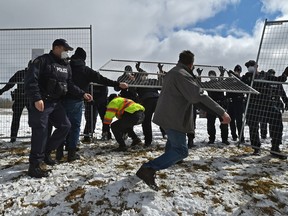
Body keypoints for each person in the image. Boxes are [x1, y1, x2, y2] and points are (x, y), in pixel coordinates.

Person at [136, 50, 231, 190]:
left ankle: (165, 161)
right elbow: (198, 96)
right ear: (191, 64)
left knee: (173, 146)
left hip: (168, 115)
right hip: (173, 117)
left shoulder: (174, 72)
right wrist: (221, 112)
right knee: (181, 151)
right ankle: (148, 169)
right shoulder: (182, 75)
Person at [24, 39, 93, 178]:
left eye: (67, 50)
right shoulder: (42, 61)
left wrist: (82, 93)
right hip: (42, 102)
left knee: (65, 126)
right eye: (65, 49)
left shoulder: (66, 65)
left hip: (56, 103)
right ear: (56, 48)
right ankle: (35, 166)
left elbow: (70, 84)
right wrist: (37, 98)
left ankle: (46, 153)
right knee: (41, 131)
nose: (66, 52)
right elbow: (31, 80)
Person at [57, 47, 128, 161]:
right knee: (74, 126)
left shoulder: (66, 66)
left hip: (60, 100)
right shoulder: (85, 70)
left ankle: (59, 153)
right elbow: (102, 79)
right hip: (76, 100)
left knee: (63, 126)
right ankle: (71, 153)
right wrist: (118, 84)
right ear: (84, 58)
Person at [241, 60, 288, 159]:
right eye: (248, 66)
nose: (250, 68)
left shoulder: (265, 75)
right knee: (253, 126)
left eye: (251, 66)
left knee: (277, 119)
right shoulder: (246, 77)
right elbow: (239, 84)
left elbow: (280, 80)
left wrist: (286, 72)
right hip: (253, 105)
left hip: (267, 104)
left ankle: (275, 147)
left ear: (256, 66)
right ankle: (256, 148)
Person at [0, 67, 30, 143]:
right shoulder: (21, 73)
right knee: (16, 119)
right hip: (22, 98)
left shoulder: (35, 73)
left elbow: (10, 84)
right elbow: (10, 84)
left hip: (30, 98)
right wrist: (2, 91)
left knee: (33, 119)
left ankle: (35, 137)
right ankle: (13, 138)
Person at [259, 68, 288, 140]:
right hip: (273, 104)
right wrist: (286, 102)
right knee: (270, 121)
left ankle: (265, 136)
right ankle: (269, 135)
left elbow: (283, 94)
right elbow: (283, 94)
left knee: (265, 121)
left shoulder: (266, 81)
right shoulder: (276, 82)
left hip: (267, 104)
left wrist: (286, 102)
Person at [205, 70, 230, 145]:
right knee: (210, 123)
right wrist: (199, 75)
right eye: (210, 74)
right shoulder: (208, 84)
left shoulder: (219, 82)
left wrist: (222, 74)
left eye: (213, 74)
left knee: (224, 122)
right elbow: (199, 84)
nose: (211, 75)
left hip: (220, 104)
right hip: (211, 105)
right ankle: (211, 139)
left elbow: (223, 81)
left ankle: (224, 139)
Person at [226, 64, 245, 142]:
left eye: (238, 71)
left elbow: (241, 82)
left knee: (239, 121)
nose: (237, 72)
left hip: (239, 102)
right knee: (231, 121)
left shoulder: (241, 79)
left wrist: (234, 75)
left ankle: (241, 137)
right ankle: (234, 135)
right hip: (231, 102)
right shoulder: (229, 80)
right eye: (236, 71)